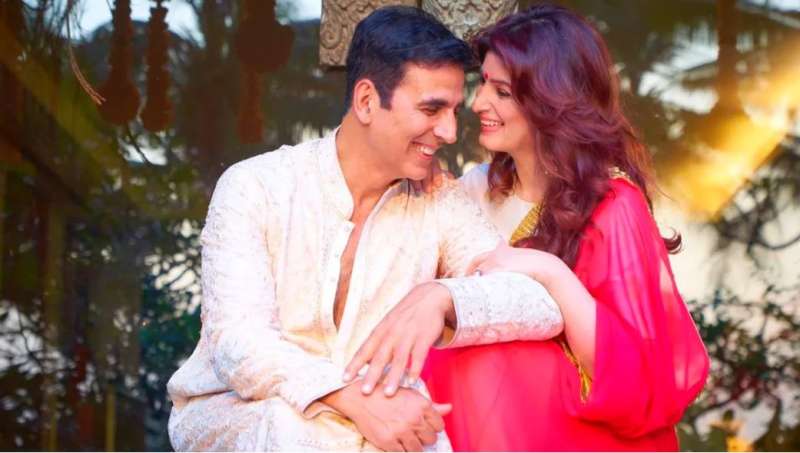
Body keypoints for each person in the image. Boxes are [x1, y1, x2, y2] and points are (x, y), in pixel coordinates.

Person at [166, 6, 564, 451]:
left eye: (453, 110)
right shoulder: (255, 186)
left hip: (381, 417)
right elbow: (239, 342)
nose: (450, 132)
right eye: (432, 109)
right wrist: (350, 398)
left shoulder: (439, 200)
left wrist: (442, 296)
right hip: (244, 412)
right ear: (367, 101)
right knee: (290, 427)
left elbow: (538, 303)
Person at [346, 4, 710, 451]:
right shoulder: (474, 189)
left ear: (551, 100)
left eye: (501, 92)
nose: (479, 104)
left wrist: (551, 273)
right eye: (484, 85)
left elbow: (636, 380)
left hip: (578, 435)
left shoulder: (613, 206)